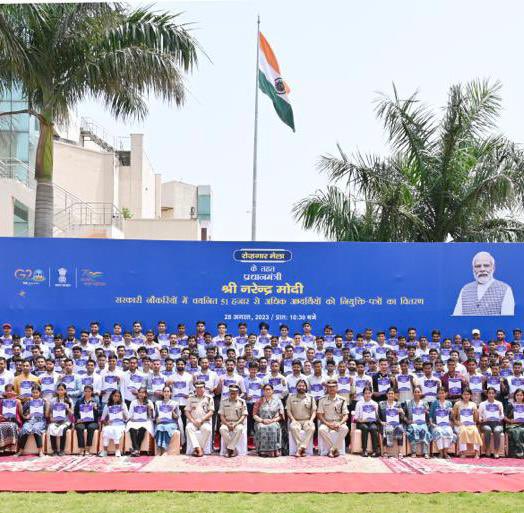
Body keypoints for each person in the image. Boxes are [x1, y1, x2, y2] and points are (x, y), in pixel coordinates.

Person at [453, 251, 514, 316]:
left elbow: (507, 321)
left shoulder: (505, 289)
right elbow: (456, 319)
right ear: (473, 269)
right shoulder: (465, 290)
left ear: (493, 268)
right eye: (478, 266)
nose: (482, 269)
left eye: (486, 265)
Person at [286, 379, 316, 457]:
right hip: (296, 420)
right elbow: (288, 411)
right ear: (296, 387)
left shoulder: (311, 397)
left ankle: (301, 448)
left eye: (303, 386)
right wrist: (293, 420)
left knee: (311, 428)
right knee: (293, 427)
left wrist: (311, 420)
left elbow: (314, 411)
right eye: (299, 385)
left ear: (306, 387)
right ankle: (301, 447)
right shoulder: (290, 397)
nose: (301, 387)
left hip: (307, 420)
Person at [253, 383, 284, 457]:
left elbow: (280, 415)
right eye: (265, 390)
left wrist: (273, 420)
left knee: (273, 427)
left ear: (272, 391)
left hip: (273, 421)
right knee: (261, 427)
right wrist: (262, 420)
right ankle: (262, 451)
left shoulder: (278, 401)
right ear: (263, 391)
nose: (267, 391)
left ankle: (274, 450)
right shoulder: (259, 401)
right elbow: (254, 415)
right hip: (261, 421)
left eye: (269, 389)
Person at [16, 384, 47, 457]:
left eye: (37, 392)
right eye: (33, 392)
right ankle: (20, 450)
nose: (35, 394)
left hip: (40, 420)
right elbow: (22, 412)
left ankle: (40, 451)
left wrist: (46, 403)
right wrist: (26, 416)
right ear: (31, 393)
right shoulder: (29, 402)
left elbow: (46, 413)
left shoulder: (43, 401)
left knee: (36, 429)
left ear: (40, 393)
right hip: (30, 420)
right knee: (25, 429)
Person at [185, 381, 214, 457]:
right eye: (197, 388)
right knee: (188, 427)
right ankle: (199, 448)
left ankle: (198, 448)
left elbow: (211, 412)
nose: (199, 389)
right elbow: (187, 411)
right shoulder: (191, 398)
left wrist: (202, 420)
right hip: (193, 421)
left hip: (204, 421)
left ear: (204, 388)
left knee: (207, 429)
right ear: (195, 389)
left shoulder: (209, 398)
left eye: (201, 387)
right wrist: (193, 421)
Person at [218, 384, 248, 457]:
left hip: (237, 422)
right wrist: (227, 424)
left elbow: (244, 415)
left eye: (235, 391)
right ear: (229, 392)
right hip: (226, 422)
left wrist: (236, 423)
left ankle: (230, 448)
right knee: (222, 429)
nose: (233, 393)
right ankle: (233, 449)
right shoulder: (224, 401)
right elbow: (221, 415)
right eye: (231, 391)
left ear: (238, 392)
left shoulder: (242, 402)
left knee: (240, 429)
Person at [453, 388, 482, 458]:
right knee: (463, 431)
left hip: (471, 424)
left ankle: (477, 452)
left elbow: (476, 419)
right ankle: (462, 452)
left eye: (468, 394)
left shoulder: (473, 404)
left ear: (470, 395)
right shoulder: (457, 404)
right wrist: (457, 423)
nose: (466, 396)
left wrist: (475, 413)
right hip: (461, 424)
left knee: (475, 431)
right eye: (464, 394)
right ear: (462, 395)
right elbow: (454, 418)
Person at [404, 386, 432, 458]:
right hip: (412, 423)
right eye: (415, 392)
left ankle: (426, 452)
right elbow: (403, 416)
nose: (417, 393)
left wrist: (427, 412)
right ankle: (414, 452)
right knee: (412, 430)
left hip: (422, 423)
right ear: (413, 393)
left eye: (418, 392)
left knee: (425, 430)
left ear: (421, 393)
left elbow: (429, 415)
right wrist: (409, 421)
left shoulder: (424, 403)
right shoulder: (408, 403)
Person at [99, 389, 129, 457]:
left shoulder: (123, 405)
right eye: (115, 396)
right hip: (111, 424)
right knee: (106, 430)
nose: (116, 398)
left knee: (116, 430)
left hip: (120, 424)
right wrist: (106, 422)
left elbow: (127, 418)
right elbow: (102, 418)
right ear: (112, 396)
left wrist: (123, 416)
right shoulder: (107, 405)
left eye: (118, 396)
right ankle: (105, 451)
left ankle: (117, 450)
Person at [126, 386, 154, 456]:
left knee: (142, 428)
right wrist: (132, 419)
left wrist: (149, 409)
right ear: (137, 393)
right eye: (140, 392)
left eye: (143, 393)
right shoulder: (133, 402)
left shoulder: (149, 402)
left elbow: (152, 416)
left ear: (146, 394)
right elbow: (130, 415)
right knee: (132, 428)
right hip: (135, 421)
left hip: (145, 421)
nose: (141, 394)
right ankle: (137, 450)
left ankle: (136, 450)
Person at [154, 385, 182, 455]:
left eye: (168, 391)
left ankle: (164, 450)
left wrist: (172, 411)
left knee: (166, 428)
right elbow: (156, 416)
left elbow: (176, 417)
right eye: (165, 391)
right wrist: (157, 419)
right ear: (162, 393)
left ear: (171, 393)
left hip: (171, 423)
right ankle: (159, 448)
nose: (166, 393)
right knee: (159, 427)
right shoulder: (158, 403)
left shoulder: (174, 403)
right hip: (161, 422)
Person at [429, 387, 456, 459]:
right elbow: (430, 415)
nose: (441, 395)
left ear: (446, 394)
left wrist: (452, 412)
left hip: (446, 424)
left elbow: (451, 417)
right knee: (439, 432)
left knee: (448, 431)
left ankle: (445, 452)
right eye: (440, 393)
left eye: (443, 393)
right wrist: (432, 423)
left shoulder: (449, 403)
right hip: (436, 424)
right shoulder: (434, 403)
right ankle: (441, 453)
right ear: (437, 394)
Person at [47, 383, 73, 455]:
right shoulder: (53, 400)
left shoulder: (69, 400)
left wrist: (67, 408)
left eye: (62, 390)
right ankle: (54, 450)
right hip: (56, 421)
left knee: (63, 429)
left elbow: (72, 413)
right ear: (56, 391)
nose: (60, 391)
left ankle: (61, 450)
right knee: (51, 427)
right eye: (59, 390)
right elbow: (51, 413)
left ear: (65, 391)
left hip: (66, 421)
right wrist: (51, 418)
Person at [378, 388, 405, 458]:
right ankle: (385, 452)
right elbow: (377, 417)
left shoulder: (398, 404)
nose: (390, 395)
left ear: (394, 395)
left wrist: (402, 412)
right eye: (389, 393)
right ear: (386, 395)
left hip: (396, 424)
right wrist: (381, 422)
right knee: (386, 428)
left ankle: (400, 452)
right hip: (386, 424)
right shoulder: (382, 404)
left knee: (400, 428)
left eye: (392, 393)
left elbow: (402, 418)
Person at [74, 385, 100, 455]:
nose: (87, 393)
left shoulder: (96, 400)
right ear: (83, 392)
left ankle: (88, 448)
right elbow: (75, 412)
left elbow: (100, 412)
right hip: (82, 421)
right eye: (86, 391)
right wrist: (77, 419)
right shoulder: (79, 401)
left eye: (89, 391)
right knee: (79, 427)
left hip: (93, 421)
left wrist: (96, 409)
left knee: (90, 427)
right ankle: (82, 448)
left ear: (92, 392)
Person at [478, 387, 504, 458]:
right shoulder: (482, 404)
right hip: (486, 423)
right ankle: (488, 449)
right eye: (489, 393)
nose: (491, 395)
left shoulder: (499, 403)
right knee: (487, 429)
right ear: (487, 394)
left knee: (497, 430)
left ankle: (496, 451)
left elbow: (502, 416)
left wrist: (499, 415)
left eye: (493, 393)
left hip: (497, 423)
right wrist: (483, 420)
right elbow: (479, 417)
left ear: (495, 394)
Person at [354, 387, 380, 457]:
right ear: (363, 394)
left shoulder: (375, 404)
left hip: (372, 422)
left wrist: (375, 412)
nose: (367, 395)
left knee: (373, 428)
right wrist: (361, 420)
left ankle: (375, 450)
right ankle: (364, 450)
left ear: (371, 394)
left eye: (369, 393)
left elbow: (377, 417)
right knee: (365, 427)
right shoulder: (359, 403)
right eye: (366, 393)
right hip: (361, 422)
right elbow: (356, 417)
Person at [0, 384, 22, 453]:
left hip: (14, 420)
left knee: (11, 426)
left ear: (14, 391)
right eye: (7, 391)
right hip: (3, 420)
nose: (9, 392)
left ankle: (12, 448)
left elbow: (21, 414)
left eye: (11, 390)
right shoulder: (1, 401)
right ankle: (2, 447)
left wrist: (19, 403)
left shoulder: (17, 401)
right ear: (5, 392)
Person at [504, 388, 524, 458]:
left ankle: (520, 452)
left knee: (521, 430)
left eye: (521, 395)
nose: (519, 397)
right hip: (512, 425)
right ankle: (518, 453)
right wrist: (510, 421)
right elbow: (504, 417)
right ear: (515, 396)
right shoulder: (511, 405)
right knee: (516, 431)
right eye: (517, 395)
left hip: (522, 425)